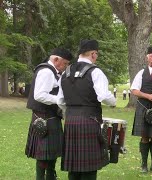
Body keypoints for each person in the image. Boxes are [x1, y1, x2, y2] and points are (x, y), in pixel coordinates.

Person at [57, 39, 116, 180]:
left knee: (73, 166)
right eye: (97, 54)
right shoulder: (96, 72)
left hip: (70, 121)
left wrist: (71, 112)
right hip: (89, 121)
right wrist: (113, 101)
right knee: (89, 168)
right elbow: (103, 95)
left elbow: (60, 100)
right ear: (93, 54)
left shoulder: (66, 72)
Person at [25, 48, 73, 180]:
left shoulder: (53, 72)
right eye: (65, 63)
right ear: (56, 59)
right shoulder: (46, 72)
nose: (66, 67)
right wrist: (60, 100)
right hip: (44, 119)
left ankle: (50, 177)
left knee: (51, 155)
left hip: (51, 117)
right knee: (43, 156)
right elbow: (39, 95)